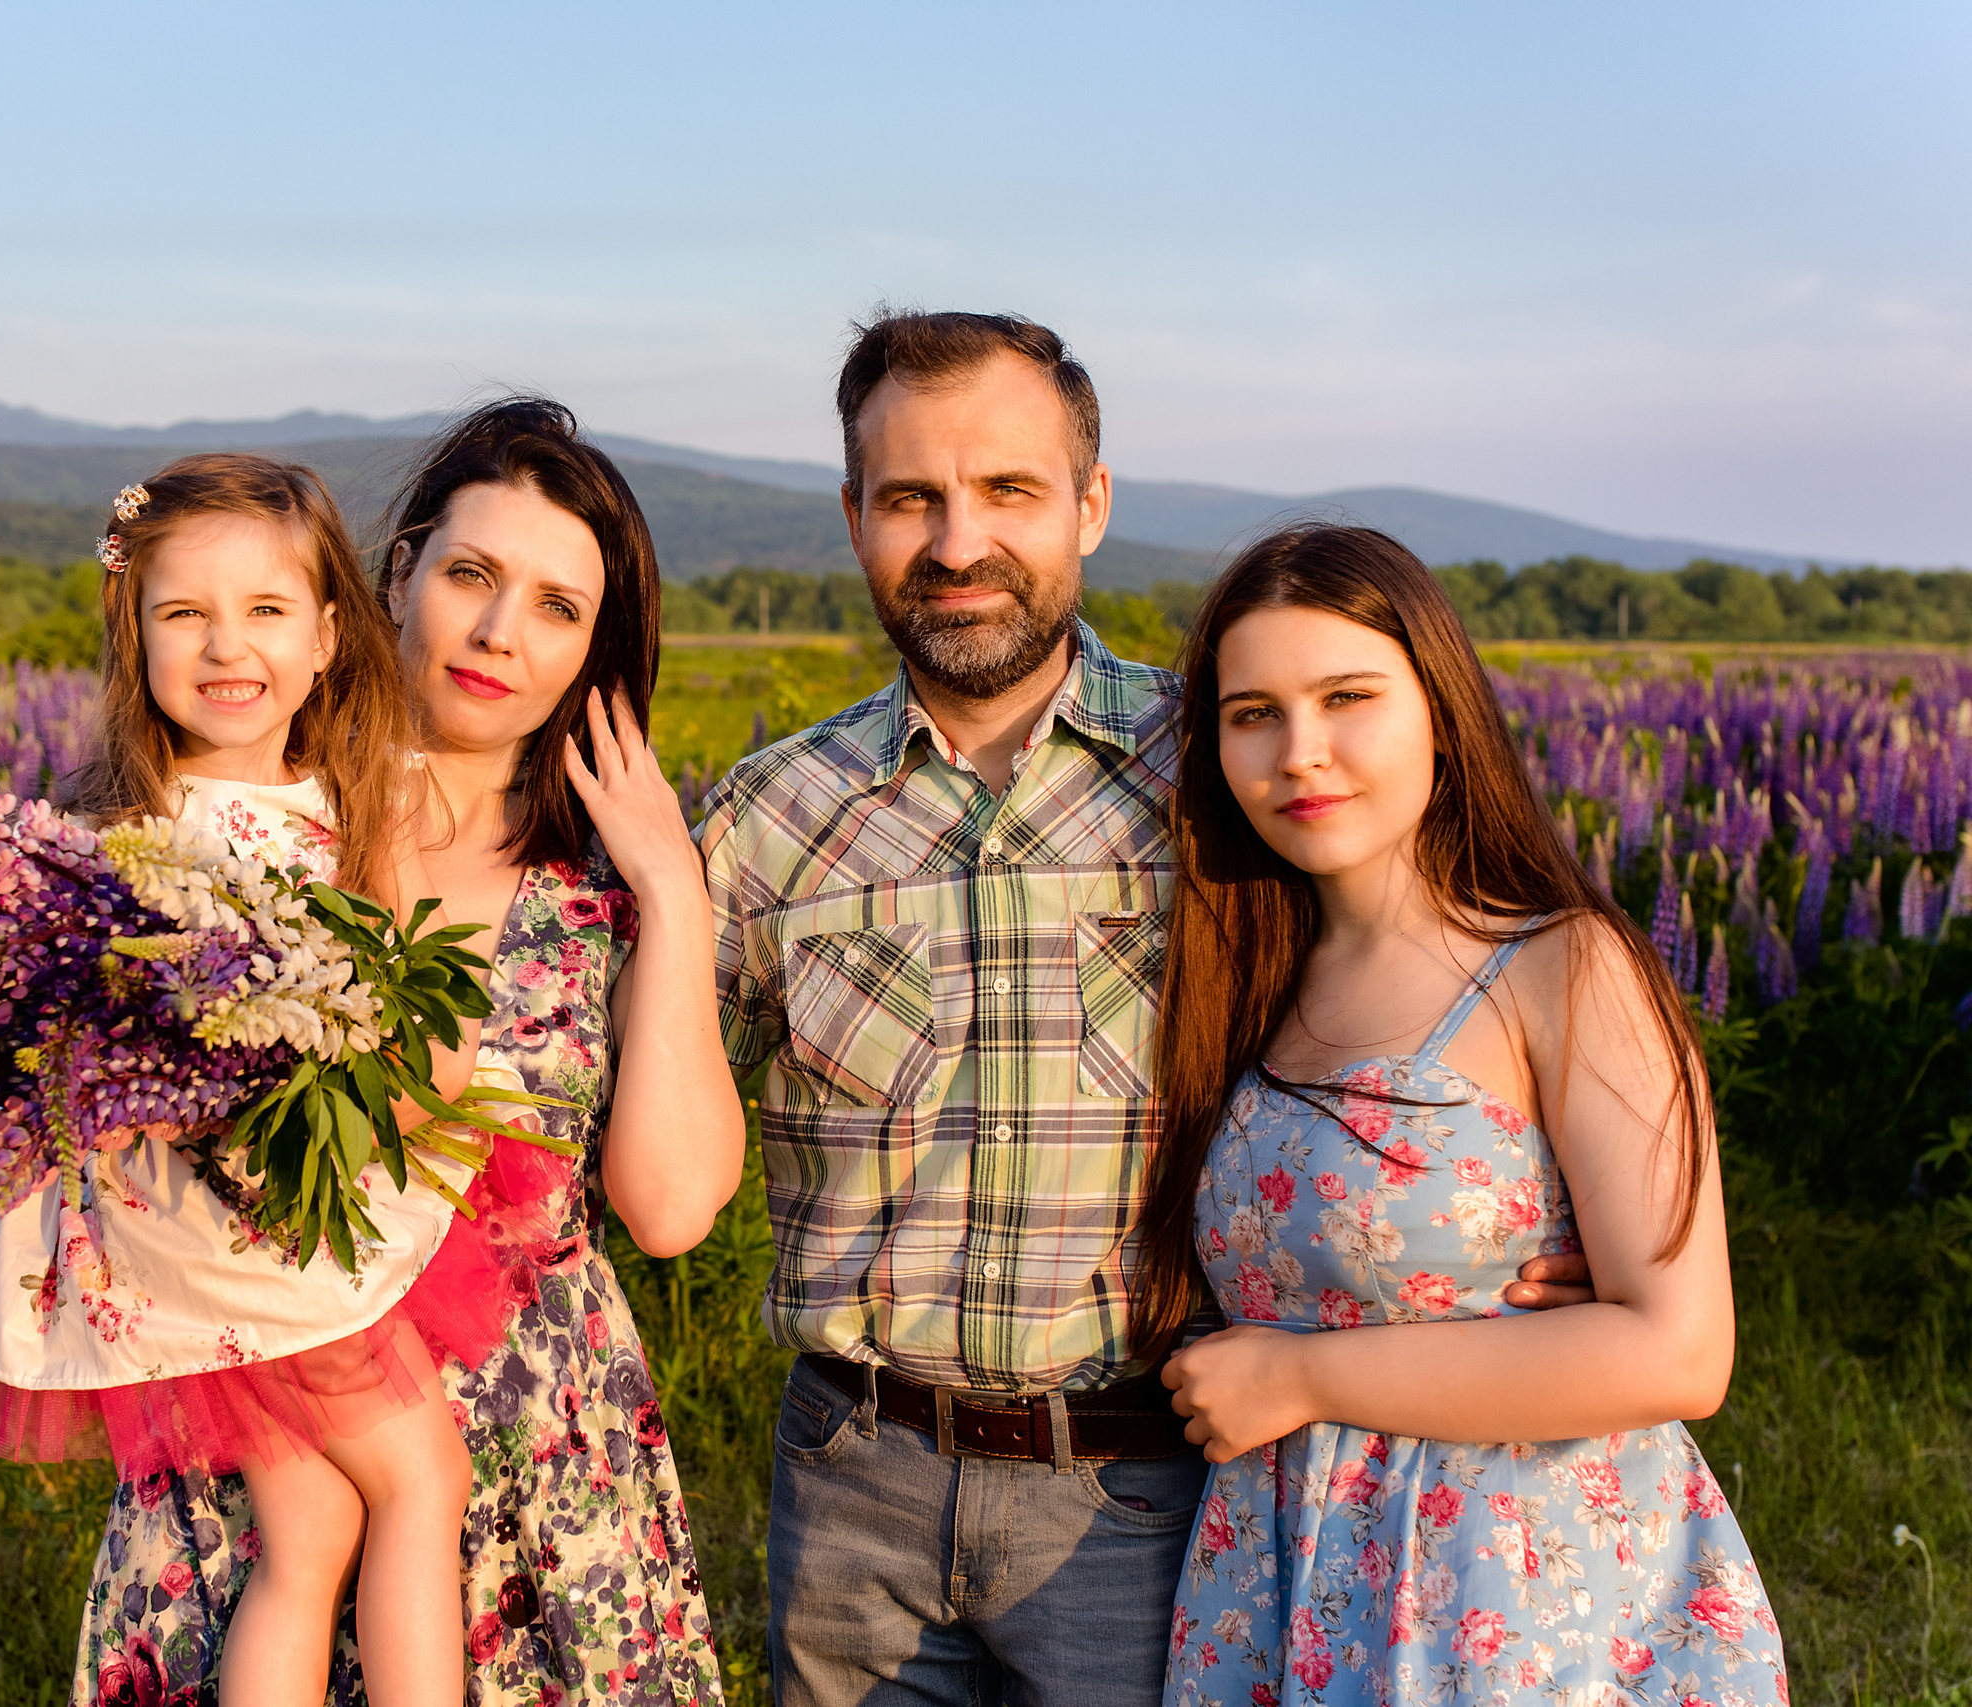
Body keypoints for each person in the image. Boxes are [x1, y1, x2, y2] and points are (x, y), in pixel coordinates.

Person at [698, 310, 1594, 1705]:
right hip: (853, 1476)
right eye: (909, 498)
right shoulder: (767, 817)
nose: (956, 540)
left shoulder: (1227, 768)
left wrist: (1520, 1231)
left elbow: (1432, 993)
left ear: (1091, 505)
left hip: (1146, 1476)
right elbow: (635, 1122)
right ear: (853, 516)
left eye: (1008, 490)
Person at [70, 401, 748, 1706]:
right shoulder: (259, 822)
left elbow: (666, 1209)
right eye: (474, 575)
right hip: (270, 1423)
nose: (501, 631)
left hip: (541, 1460)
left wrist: (678, 895)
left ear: (598, 646)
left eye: (558, 604)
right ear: (398, 577)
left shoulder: (608, 884)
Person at [0, 453, 541, 1707]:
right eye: (182, 615)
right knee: (426, 1481)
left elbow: (404, 982)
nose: (225, 648)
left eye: (262, 612)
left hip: (276, 1202)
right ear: (133, 635)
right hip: (237, 1219)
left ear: (325, 635)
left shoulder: (341, 803)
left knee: (309, 1534)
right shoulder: (132, 847)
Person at [1143, 525, 1785, 1705]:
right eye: (1253, 715)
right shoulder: (1241, 977)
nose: (1302, 753)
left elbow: (1681, 1351)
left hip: (1522, 1593)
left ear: (1439, 706)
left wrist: (1306, 1381)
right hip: (1288, 1580)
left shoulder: (1559, 966)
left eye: (1347, 698)